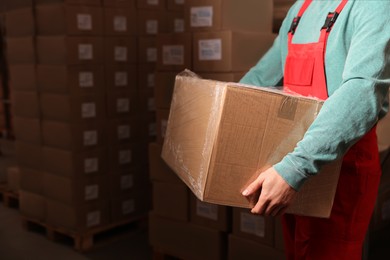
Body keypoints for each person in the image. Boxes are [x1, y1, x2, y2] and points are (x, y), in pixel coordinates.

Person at [239, 0, 390, 259]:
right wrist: (216, 118)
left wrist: (295, 169)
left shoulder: (375, 5)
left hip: (341, 167)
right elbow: (261, 78)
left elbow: (363, 92)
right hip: (291, 161)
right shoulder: (301, 8)